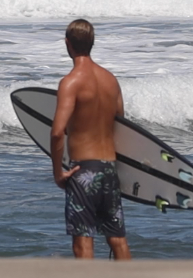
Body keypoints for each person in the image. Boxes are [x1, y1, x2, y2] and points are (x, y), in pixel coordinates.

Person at [50, 18, 131, 261]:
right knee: (117, 240)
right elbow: (121, 123)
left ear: (67, 44)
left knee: (83, 243)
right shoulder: (110, 80)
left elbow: (57, 132)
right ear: (92, 43)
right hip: (109, 168)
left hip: (83, 171)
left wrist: (58, 173)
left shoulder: (71, 82)